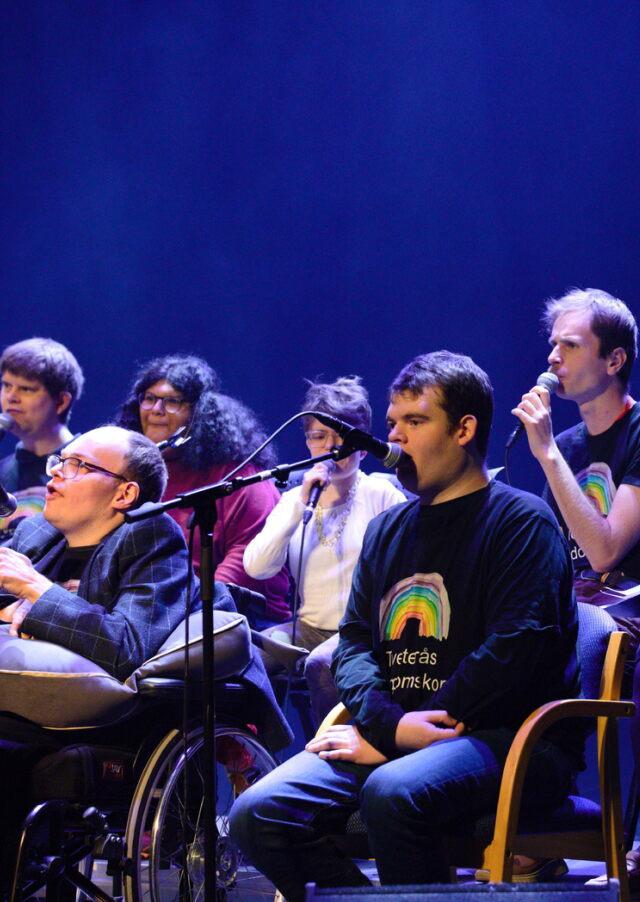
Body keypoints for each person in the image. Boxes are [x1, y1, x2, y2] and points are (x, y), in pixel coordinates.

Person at [229, 351, 583, 900]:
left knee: (393, 791)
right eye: (393, 422)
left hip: (509, 738)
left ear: (464, 429)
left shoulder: (521, 522)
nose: (394, 437)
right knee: (257, 813)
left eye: (415, 421)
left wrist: (396, 738)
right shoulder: (388, 529)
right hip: (399, 729)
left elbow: (512, 653)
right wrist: (390, 727)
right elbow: (354, 643)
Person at [513, 287, 640, 886]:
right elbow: (555, 557)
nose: (553, 357)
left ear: (614, 359)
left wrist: (545, 455)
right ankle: (533, 828)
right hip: (581, 603)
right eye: (552, 344)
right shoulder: (565, 447)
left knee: (591, 634)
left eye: (570, 345)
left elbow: (607, 549)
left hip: (629, 604)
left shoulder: (634, 433)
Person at [244, 376, 406, 725]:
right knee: (243, 653)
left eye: (343, 437)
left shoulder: (382, 495)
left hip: (363, 631)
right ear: (308, 442)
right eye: (319, 436)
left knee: (321, 663)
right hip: (307, 628)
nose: (332, 447)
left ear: (363, 446)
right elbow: (257, 567)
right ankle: (256, 751)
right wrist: (298, 504)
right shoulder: (295, 500)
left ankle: (329, 754)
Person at [0, 425, 189, 679]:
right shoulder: (37, 531)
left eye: (77, 464)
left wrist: (34, 588)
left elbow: (127, 651)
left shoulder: (152, 537)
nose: (55, 471)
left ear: (124, 494)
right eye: (60, 461)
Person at [116, 354, 289, 628]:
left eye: (172, 401)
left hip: (234, 616)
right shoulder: (131, 471)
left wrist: (182, 609)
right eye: (149, 398)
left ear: (199, 413)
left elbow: (246, 562)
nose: (156, 409)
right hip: (154, 608)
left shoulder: (239, 475)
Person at [0, 337, 84, 543]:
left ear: (61, 401)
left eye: (26, 389)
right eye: (6, 385)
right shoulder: (3, 470)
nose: (11, 397)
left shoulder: (87, 469)